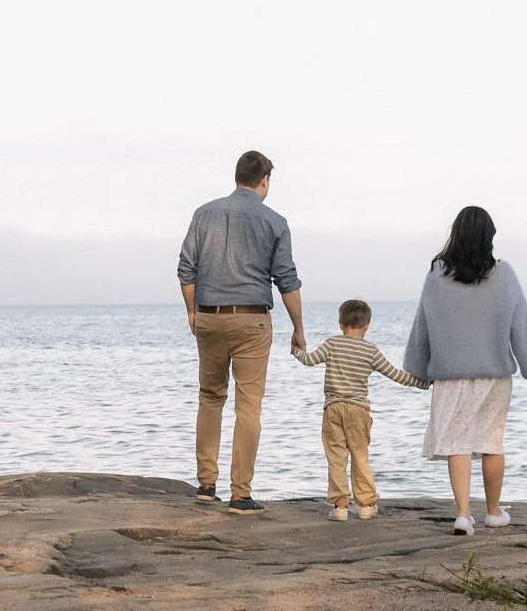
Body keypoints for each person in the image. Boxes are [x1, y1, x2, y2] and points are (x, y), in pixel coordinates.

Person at [403, 206, 527, 536]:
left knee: (456, 442)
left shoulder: (438, 274)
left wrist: (418, 368)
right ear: (489, 237)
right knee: (491, 443)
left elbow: (423, 324)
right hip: (493, 375)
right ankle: (493, 512)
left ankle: (462, 515)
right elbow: (522, 323)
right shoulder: (504, 274)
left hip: (450, 375)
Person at [177, 150, 307, 514]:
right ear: (264, 181)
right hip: (253, 320)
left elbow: (186, 268)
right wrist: (298, 328)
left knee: (210, 397)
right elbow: (287, 281)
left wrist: (192, 311)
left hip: (209, 316)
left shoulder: (204, 214)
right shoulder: (275, 222)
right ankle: (240, 494)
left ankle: (206, 484)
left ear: (236, 177)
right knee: (248, 406)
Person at [292, 299, 430, 521]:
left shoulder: (332, 344)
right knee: (360, 456)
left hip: (333, 408)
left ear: (340, 324)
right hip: (358, 410)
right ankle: (365, 504)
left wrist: (298, 351)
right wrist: (423, 383)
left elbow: (309, 360)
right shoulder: (371, 351)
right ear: (367, 325)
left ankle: (340, 507)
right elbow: (395, 374)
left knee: (336, 457)